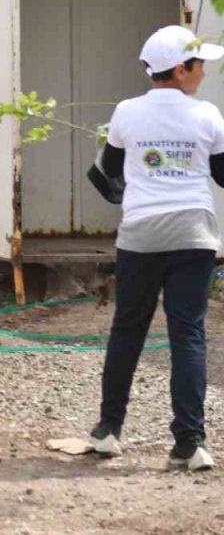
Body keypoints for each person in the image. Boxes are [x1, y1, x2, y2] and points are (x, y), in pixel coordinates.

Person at [84, 25, 222, 472]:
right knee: (188, 334)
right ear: (181, 69)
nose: (203, 72)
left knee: (128, 330)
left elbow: (109, 169)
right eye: (199, 65)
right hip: (194, 235)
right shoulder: (208, 115)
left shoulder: (126, 112)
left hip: (141, 235)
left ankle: (108, 431)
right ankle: (190, 443)